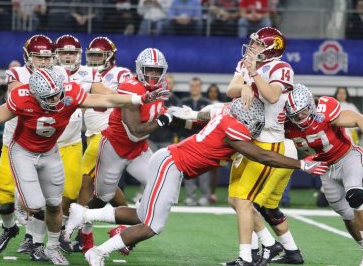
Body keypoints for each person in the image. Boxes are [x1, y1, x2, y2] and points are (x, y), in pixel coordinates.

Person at [64, 98, 327, 266]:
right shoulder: (235, 128)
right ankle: (97, 252)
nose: (256, 126)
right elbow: (261, 154)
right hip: (172, 165)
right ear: (247, 117)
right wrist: (301, 163)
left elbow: (200, 119)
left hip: (169, 162)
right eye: (255, 122)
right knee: (153, 226)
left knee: (142, 215)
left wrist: (182, 115)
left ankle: (84, 212)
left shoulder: (224, 113)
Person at [0, 68, 166, 265]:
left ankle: (51, 248)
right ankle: (20, 196)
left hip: (50, 151)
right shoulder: (22, 97)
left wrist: (141, 98)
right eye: (49, 98)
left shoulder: (69, 93)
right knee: (34, 206)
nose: (56, 100)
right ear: (35, 95)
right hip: (23, 152)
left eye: (58, 94)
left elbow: (107, 100)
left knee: (54, 204)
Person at [77, 48, 171, 255]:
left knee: (158, 181)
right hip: (115, 147)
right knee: (102, 196)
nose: (153, 75)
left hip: (138, 150)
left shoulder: (160, 88)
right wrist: (165, 119)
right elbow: (135, 132)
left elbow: (155, 115)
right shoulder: (131, 87)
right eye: (149, 70)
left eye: (157, 71)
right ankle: (83, 228)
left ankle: (126, 228)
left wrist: (183, 115)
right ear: (140, 69)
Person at [285, 84, 363, 266]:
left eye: (303, 110)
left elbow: (357, 118)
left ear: (310, 102)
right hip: (326, 169)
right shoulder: (286, 123)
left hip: (347, 158)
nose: (300, 116)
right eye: (295, 114)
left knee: (356, 196)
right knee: (347, 214)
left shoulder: (325, 109)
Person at [225, 27, 301, 265]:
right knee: (235, 200)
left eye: (258, 44)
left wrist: (253, 77)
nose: (252, 47)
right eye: (253, 43)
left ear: (270, 48)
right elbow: (231, 89)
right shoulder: (246, 62)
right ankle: (270, 245)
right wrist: (245, 85)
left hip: (270, 141)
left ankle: (249, 256)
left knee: (246, 201)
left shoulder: (281, 68)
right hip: (248, 139)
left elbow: (271, 96)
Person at [0, 34, 62, 256]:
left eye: (47, 57)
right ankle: (9, 227)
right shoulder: (17, 74)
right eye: (38, 57)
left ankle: (37, 243)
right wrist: (47, 87)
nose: (43, 61)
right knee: (2, 196)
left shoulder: (60, 74)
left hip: (44, 145)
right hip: (14, 143)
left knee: (38, 198)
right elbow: (17, 93)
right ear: (28, 56)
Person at [75, 36, 133, 252]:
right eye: (92, 55)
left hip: (108, 133)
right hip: (92, 133)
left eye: (100, 55)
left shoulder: (121, 74)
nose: (96, 59)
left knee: (85, 182)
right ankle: (124, 227)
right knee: (105, 187)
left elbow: (127, 99)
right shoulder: (85, 73)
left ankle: (83, 233)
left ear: (110, 56)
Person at [180, 77, 212, 206]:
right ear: (189, 87)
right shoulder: (183, 102)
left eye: (197, 86)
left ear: (201, 87)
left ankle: (205, 195)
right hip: (187, 141)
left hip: (204, 141)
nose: (194, 88)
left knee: (204, 171)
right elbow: (179, 122)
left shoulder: (208, 103)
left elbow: (211, 123)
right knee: (188, 170)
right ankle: (191, 196)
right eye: (192, 86)